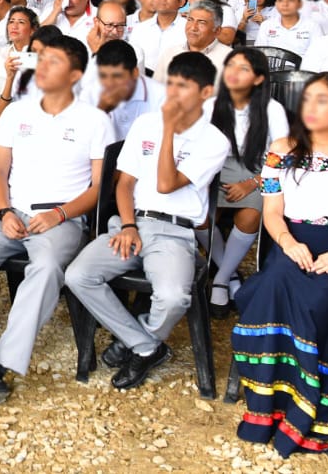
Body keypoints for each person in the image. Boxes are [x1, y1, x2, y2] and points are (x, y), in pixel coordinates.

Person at [0, 38, 111, 409]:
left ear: (75, 75)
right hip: (8, 211)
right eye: (42, 59)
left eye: (54, 61)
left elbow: (99, 188)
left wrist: (60, 214)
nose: (42, 66)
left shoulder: (95, 120)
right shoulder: (17, 112)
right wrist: (4, 211)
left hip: (61, 218)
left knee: (46, 268)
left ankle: (1, 366)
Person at [230, 72, 328, 456]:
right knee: (272, 287)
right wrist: (288, 243)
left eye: (322, 100)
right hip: (293, 244)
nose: (310, 107)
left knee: (322, 300)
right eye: (308, 99)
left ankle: (314, 410)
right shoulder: (283, 149)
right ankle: (270, 407)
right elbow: (272, 212)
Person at [64, 52, 230, 389]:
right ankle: (145, 345)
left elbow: (166, 184)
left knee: (173, 297)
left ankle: (136, 340)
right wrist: (128, 225)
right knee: (78, 275)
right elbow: (125, 184)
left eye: (184, 87)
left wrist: (168, 131)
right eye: (171, 84)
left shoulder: (214, 139)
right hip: (132, 223)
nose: (173, 93)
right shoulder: (145, 124)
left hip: (175, 232)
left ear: (206, 93)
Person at [207, 48, 290, 314]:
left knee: (250, 216)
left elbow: (282, 156)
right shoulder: (211, 104)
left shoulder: (272, 109)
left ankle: (221, 279)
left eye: (243, 68)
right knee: (200, 216)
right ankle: (231, 273)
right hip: (217, 169)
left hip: (258, 169)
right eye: (231, 66)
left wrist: (252, 183)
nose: (233, 72)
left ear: (258, 78)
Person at [155, 0, 233, 80]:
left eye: (202, 22)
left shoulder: (229, 59)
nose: (193, 27)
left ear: (217, 31)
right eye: (190, 20)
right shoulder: (170, 53)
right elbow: (156, 86)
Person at [254, 0, 320, 57]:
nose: (285, 4)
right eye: (280, 0)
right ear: (276, 4)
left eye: (290, 0)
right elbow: (259, 55)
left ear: (300, 4)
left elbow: (318, 55)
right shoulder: (266, 26)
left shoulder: (312, 27)